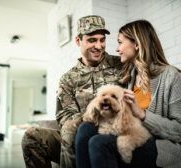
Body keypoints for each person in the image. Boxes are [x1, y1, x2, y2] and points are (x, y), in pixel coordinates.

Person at [75, 19, 181, 168]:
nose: (117, 49)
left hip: (160, 144)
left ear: (137, 44)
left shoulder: (171, 76)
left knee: (99, 143)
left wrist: (142, 114)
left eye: (120, 42)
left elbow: (179, 130)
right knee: (85, 129)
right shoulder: (130, 76)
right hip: (130, 133)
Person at [22, 15, 124, 168]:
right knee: (31, 137)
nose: (99, 45)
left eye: (102, 40)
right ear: (78, 41)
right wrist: (89, 120)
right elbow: (65, 116)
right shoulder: (68, 79)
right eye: (92, 40)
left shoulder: (121, 65)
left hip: (114, 131)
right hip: (79, 134)